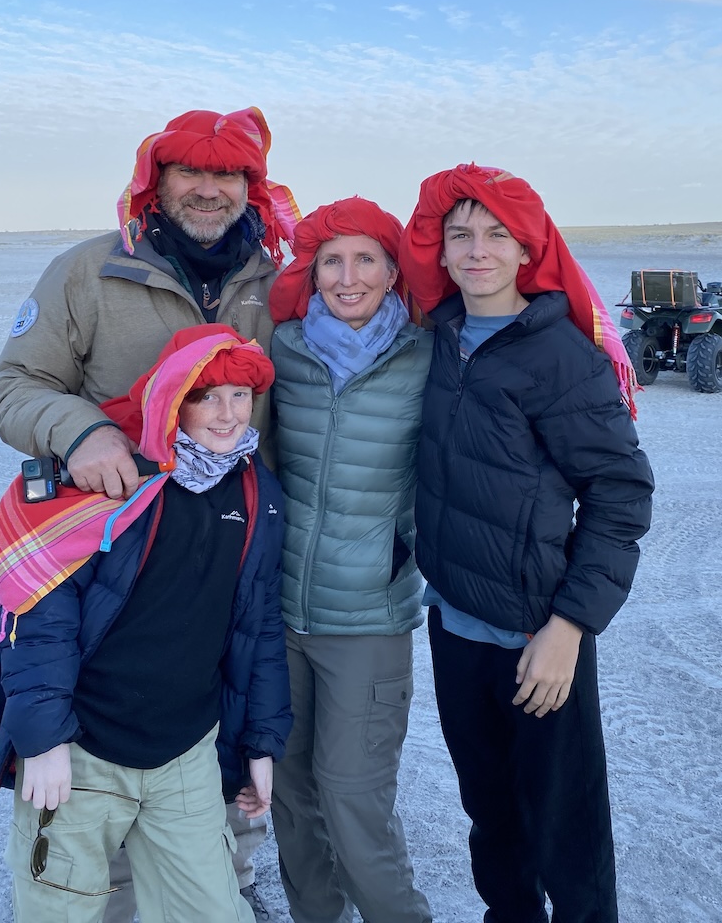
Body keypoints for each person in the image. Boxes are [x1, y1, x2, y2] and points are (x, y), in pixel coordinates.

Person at [0, 107, 300, 920]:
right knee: (94, 810)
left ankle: (229, 882)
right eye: (189, 172)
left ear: (249, 186)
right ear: (154, 182)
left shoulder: (277, 278)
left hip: (230, 550)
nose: (208, 190)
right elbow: (13, 385)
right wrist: (81, 429)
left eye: (227, 175)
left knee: (216, 779)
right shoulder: (89, 272)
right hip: (110, 558)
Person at [0, 326, 292, 923]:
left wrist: (261, 740)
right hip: (85, 747)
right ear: (172, 399)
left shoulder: (259, 491)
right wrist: (44, 739)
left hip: (185, 749)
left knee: (211, 909)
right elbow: (39, 614)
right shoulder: (113, 483)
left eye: (241, 395)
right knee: (60, 908)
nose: (228, 413)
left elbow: (257, 624)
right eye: (208, 395)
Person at [398, 163, 655, 923]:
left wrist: (570, 628)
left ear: (525, 251)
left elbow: (621, 493)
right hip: (454, 629)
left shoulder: (559, 354)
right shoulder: (437, 340)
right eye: (460, 235)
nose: (477, 250)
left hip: (537, 635)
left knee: (566, 835)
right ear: (439, 253)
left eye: (496, 236)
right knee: (493, 818)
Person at [267, 197, 433, 923]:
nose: (348, 276)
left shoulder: (429, 355)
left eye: (366, 258)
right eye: (332, 260)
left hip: (369, 619)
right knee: (293, 800)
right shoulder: (284, 348)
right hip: (279, 615)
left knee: (353, 803)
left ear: (394, 270)